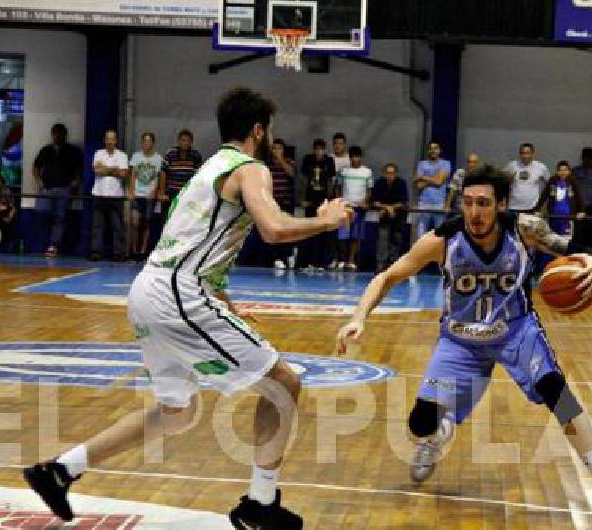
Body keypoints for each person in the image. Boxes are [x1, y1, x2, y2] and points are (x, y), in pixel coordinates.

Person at [23, 87, 352, 530]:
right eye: (269, 131)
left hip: (149, 289)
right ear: (257, 130)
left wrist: (225, 303)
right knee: (283, 383)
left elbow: (193, 243)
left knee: (177, 413)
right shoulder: (249, 167)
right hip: (178, 294)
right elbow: (273, 230)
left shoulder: (208, 168)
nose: (271, 140)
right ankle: (259, 503)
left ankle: (60, 470)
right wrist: (327, 221)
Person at [335, 166, 592, 525]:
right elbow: (388, 276)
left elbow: (575, 248)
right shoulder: (443, 240)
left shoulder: (524, 229)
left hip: (516, 333)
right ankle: (436, 437)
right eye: (469, 203)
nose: (475, 212)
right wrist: (358, 317)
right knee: (420, 422)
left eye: (484, 203)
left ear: (501, 204)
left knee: (558, 394)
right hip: (460, 341)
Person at [33, 123, 83, 258]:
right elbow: (36, 167)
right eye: (55, 133)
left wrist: (76, 182)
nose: (57, 136)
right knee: (42, 213)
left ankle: (53, 245)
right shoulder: (46, 150)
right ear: (52, 135)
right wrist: (39, 182)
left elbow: (79, 168)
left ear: (64, 135)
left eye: (60, 134)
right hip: (47, 188)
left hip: (64, 188)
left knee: (59, 217)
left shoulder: (72, 151)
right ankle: (44, 243)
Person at [89, 129, 128, 261]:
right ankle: (96, 252)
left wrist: (105, 168)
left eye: (112, 139)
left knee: (117, 226)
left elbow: (123, 174)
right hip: (99, 194)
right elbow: (97, 171)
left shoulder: (122, 155)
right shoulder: (98, 153)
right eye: (108, 139)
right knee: (97, 225)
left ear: (116, 141)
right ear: (104, 140)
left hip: (115, 195)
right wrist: (114, 169)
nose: (110, 141)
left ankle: (118, 253)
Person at [299, 138, 336, 272]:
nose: (319, 152)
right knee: (309, 231)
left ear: (325, 150)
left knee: (323, 231)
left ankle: (321, 262)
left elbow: (331, 181)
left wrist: (329, 199)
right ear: (314, 150)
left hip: (323, 200)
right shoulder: (308, 160)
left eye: (322, 149)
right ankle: (308, 261)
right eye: (317, 149)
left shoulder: (329, 161)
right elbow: (303, 180)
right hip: (310, 199)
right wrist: (302, 198)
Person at [128, 132, 163, 261]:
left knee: (147, 223)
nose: (146, 144)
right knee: (135, 222)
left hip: (149, 195)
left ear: (153, 143)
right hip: (137, 194)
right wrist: (131, 190)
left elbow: (158, 177)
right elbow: (132, 175)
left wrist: (154, 191)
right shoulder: (136, 156)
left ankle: (143, 251)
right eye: (144, 141)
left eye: (149, 141)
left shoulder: (158, 158)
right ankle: (134, 250)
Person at [372, 162, 408, 272]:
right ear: (384, 173)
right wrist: (387, 208)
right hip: (384, 216)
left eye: (392, 173)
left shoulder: (401, 183)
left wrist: (391, 208)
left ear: (396, 174)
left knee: (396, 240)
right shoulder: (379, 183)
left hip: (398, 217)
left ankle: (393, 266)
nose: (390, 175)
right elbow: (374, 201)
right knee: (382, 240)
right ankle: (380, 266)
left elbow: (403, 202)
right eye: (388, 173)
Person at [267, 138, 298, 269]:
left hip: (287, 201)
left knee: (288, 230)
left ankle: (289, 255)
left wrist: (280, 160)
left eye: (279, 148)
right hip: (273, 202)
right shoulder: (267, 164)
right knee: (274, 230)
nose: (277, 151)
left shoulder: (289, 162)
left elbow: (291, 173)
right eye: (274, 148)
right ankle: (277, 258)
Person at [535, 161, 584, 237]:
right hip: (554, 216)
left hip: (568, 217)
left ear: (569, 171)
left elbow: (579, 197)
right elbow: (544, 196)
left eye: (565, 170)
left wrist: (581, 211)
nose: (563, 172)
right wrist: (537, 209)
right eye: (560, 170)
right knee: (553, 238)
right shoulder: (552, 181)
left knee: (566, 239)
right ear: (557, 171)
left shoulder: (573, 181)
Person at [414, 140, 452, 239]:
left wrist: (423, 177)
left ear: (439, 150)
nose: (433, 150)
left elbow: (439, 182)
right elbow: (419, 185)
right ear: (428, 151)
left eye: (435, 148)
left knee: (440, 236)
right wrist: (434, 178)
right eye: (431, 148)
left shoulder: (445, 163)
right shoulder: (422, 164)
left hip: (439, 204)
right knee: (420, 236)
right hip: (424, 204)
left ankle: (439, 255)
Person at [505, 142, 549, 214]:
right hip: (513, 207)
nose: (525, 156)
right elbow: (501, 182)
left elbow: (549, 185)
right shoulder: (511, 166)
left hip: (532, 208)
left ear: (532, 154)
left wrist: (543, 205)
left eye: (527, 153)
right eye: (522, 153)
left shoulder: (541, 167)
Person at [160, 129, 202, 203]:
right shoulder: (170, 153)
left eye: (188, 141)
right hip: (171, 192)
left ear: (191, 142)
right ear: (178, 141)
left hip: (188, 193)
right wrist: (162, 193)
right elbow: (163, 173)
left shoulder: (196, 155)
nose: (185, 143)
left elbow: (198, 175)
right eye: (183, 140)